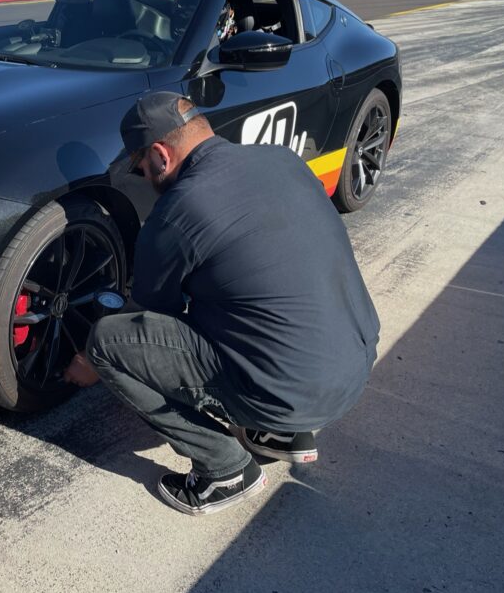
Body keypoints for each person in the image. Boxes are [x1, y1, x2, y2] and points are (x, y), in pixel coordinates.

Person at [64, 91, 380, 516]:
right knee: (248, 299)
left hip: (288, 388)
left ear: (160, 155)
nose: (143, 176)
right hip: (353, 369)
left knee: (108, 343)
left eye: (140, 168)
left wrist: (86, 360)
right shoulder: (281, 159)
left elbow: (145, 319)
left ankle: (225, 470)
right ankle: (282, 431)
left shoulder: (180, 208)